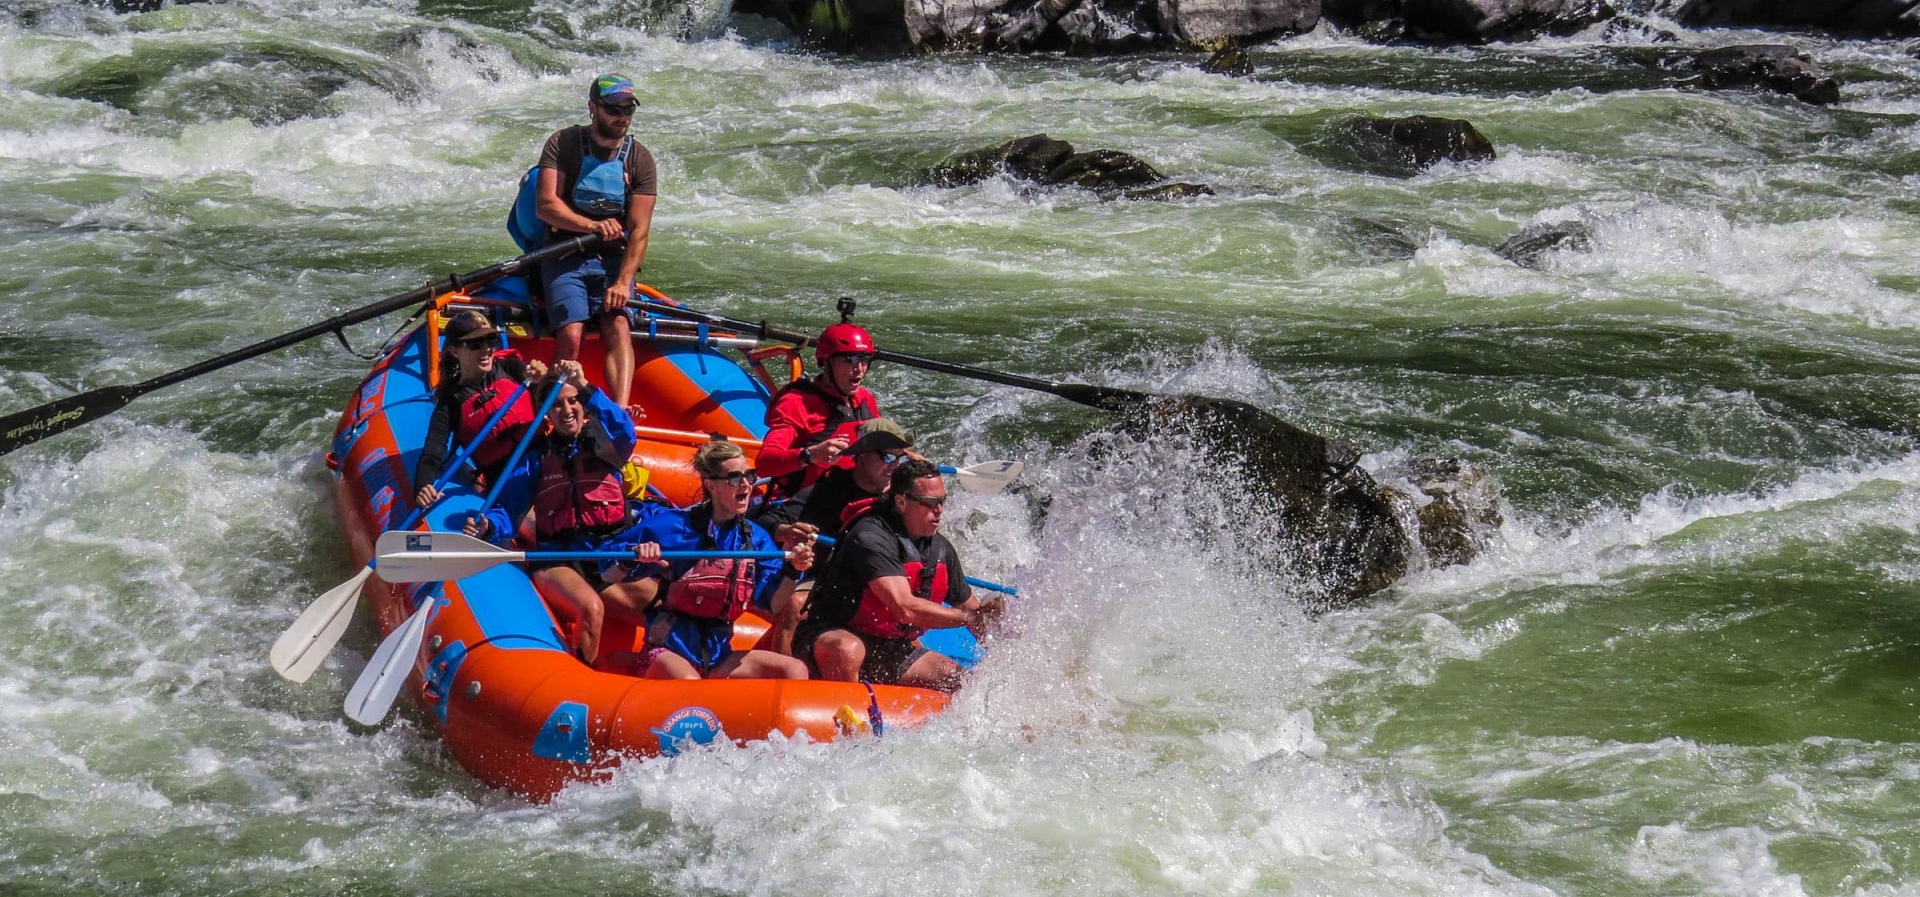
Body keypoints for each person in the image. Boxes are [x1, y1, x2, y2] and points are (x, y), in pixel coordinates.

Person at [464, 360, 642, 664]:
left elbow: (625, 430)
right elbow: (507, 509)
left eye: (573, 401)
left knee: (669, 605)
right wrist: (488, 527)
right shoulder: (536, 460)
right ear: (547, 413)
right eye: (557, 405)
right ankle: (584, 680)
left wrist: (584, 385)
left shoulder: (606, 447)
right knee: (591, 608)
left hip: (607, 553)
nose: (567, 410)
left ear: (584, 406)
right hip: (559, 560)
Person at [599, 440, 813, 680]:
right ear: (711, 485)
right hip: (667, 653)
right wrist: (633, 557)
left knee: (795, 670)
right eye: (734, 478)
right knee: (691, 684)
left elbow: (772, 604)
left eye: (749, 476)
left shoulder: (756, 539)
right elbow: (607, 572)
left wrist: (795, 570)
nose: (745, 484)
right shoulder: (674, 526)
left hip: (720, 656)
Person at [792, 458, 1002, 693]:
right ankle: (848, 719)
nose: (939, 510)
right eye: (929, 502)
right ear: (901, 502)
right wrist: (969, 618)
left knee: (958, 678)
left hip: (891, 648)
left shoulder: (941, 550)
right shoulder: (870, 537)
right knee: (848, 650)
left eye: (942, 501)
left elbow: (972, 609)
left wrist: (1000, 636)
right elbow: (904, 607)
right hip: (829, 637)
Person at [532, 72, 658, 409]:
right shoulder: (564, 143)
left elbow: (640, 230)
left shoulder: (639, 159)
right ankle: (558, 406)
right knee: (572, 332)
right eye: (613, 109)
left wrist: (623, 281)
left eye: (628, 109)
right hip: (565, 254)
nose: (622, 117)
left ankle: (619, 413)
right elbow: (546, 205)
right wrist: (592, 225)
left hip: (613, 261)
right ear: (593, 108)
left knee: (617, 323)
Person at [753, 417, 912, 655]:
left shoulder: (902, 499)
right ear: (862, 455)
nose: (894, 466)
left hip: (878, 578)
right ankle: (786, 677)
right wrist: (785, 531)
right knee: (796, 606)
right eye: (888, 457)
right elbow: (766, 521)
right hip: (828, 579)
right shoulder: (827, 493)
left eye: (901, 459)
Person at [413, 310, 546, 506]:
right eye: (475, 344)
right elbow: (432, 453)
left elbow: (553, 398)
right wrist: (422, 486)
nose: (486, 349)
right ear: (455, 351)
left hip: (546, 461)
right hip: (505, 480)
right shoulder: (450, 404)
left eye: (490, 341)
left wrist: (543, 379)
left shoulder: (512, 368)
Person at [758, 321, 880, 501]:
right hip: (804, 503)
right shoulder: (796, 403)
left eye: (864, 359)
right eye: (849, 359)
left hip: (851, 496)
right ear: (826, 362)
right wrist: (811, 455)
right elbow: (765, 464)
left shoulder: (864, 398)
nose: (859, 368)